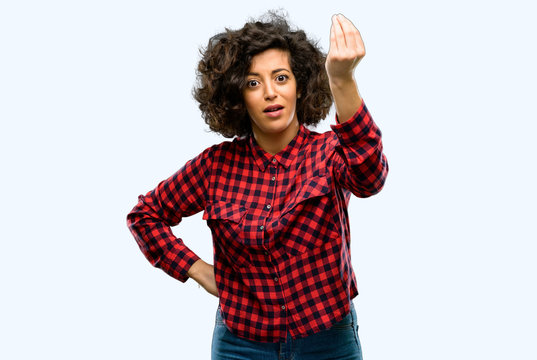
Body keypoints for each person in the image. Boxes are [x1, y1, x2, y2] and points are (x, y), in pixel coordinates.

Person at [127, 11, 388, 359]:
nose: (270, 93)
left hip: (329, 339)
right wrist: (198, 271)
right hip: (241, 343)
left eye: (281, 78)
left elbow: (370, 178)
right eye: (253, 83)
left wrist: (342, 81)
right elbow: (145, 215)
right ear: (236, 95)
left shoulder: (329, 153)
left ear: (300, 84)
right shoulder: (214, 166)